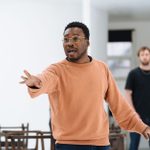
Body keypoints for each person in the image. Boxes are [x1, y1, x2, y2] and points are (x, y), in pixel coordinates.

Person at [20, 22, 150, 150]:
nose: (69, 43)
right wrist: (37, 82)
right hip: (68, 145)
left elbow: (119, 105)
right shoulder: (56, 70)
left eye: (75, 38)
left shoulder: (102, 68)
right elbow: (45, 79)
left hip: (101, 144)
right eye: (66, 40)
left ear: (88, 42)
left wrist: (142, 127)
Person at [125, 46, 150, 150]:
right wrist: (134, 112)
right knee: (133, 145)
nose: (145, 57)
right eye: (142, 55)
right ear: (139, 57)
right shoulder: (133, 74)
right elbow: (127, 94)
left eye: (147, 54)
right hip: (136, 117)